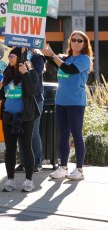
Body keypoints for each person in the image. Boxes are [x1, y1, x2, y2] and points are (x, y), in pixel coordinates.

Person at [42, 31, 93, 181]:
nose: (76, 42)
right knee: (63, 135)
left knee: (76, 134)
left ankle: (79, 170)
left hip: (76, 102)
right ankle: (63, 168)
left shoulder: (85, 59)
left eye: (80, 40)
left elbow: (69, 69)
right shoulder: (65, 58)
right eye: (74, 40)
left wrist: (52, 55)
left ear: (84, 44)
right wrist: (43, 45)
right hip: (61, 101)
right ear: (70, 42)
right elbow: (51, 58)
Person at [0, 47, 40, 192]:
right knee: (10, 149)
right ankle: (10, 180)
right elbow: (4, 95)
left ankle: (28, 181)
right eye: (9, 55)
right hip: (8, 116)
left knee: (26, 147)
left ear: (20, 58)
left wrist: (26, 73)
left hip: (25, 117)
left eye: (13, 55)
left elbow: (32, 91)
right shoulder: (7, 72)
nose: (9, 57)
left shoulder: (31, 72)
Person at [16, 47, 46, 173]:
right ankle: (23, 162)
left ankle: (36, 162)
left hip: (35, 98)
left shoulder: (38, 57)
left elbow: (36, 75)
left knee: (33, 132)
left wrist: (27, 67)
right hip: (18, 97)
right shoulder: (16, 53)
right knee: (21, 131)